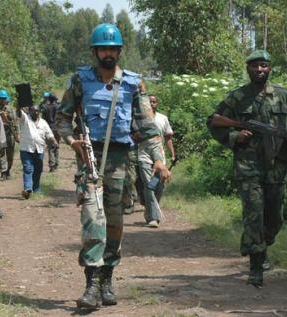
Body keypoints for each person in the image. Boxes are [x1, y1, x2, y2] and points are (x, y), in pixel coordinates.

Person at [56, 23, 171, 309]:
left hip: (121, 160)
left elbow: (146, 125)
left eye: (113, 49)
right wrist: (72, 143)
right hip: (90, 158)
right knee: (93, 221)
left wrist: (158, 157)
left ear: (119, 51)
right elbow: (62, 119)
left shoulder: (133, 83)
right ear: (95, 51)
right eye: (103, 49)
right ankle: (92, 284)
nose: (108, 53)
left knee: (115, 222)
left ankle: (107, 277)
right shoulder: (80, 81)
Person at [207, 50, 287, 287]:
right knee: (254, 215)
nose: (259, 70)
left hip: (277, 166)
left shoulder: (284, 96)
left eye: (263, 66)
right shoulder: (238, 97)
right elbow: (213, 121)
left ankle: (263, 244)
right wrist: (235, 136)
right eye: (254, 66)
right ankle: (256, 266)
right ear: (247, 69)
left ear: (270, 68)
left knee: (275, 218)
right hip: (248, 167)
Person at [138, 94, 175, 228]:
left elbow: (168, 138)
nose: (152, 104)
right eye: (149, 102)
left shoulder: (162, 119)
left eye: (154, 102)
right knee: (149, 185)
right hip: (144, 157)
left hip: (160, 158)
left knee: (158, 187)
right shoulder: (139, 118)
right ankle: (154, 218)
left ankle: (150, 210)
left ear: (157, 104)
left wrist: (173, 154)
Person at [18, 105, 57, 199]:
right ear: (29, 111)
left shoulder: (43, 122)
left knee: (38, 170)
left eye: (37, 111)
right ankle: (27, 189)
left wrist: (54, 142)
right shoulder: (25, 119)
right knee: (28, 169)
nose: (36, 112)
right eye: (33, 111)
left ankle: (36, 188)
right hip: (26, 149)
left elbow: (49, 134)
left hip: (39, 149)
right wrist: (19, 104)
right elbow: (19, 113)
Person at [0, 89, 19, 180]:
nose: (2, 100)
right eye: (0, 98)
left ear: (7, 99)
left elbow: (15, 123)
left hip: (10, 134)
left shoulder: (11, 110)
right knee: (1, 154)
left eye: (4, 98)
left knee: (10, 155)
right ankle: (3, 173)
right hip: (0, 135)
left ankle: (8, 171)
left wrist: (17, 135)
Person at [40, 91, 61, 172]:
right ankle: (56, 164)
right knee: (56, 146)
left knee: (50, 147)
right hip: (57, 128)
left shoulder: (45, 107)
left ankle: (52, 165)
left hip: (49, 129)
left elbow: (43, 118)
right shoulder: (58, 107)